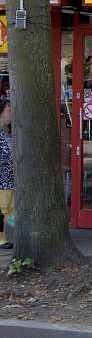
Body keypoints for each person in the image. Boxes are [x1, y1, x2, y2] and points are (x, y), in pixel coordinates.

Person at [0, 100, 15, 249]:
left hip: (11, 178)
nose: (11, 114)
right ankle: (1, 238)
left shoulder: (9, 132)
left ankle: (5, 236)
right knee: (3, 209)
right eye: (8, 111)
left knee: (11, 210)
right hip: (2, 179)